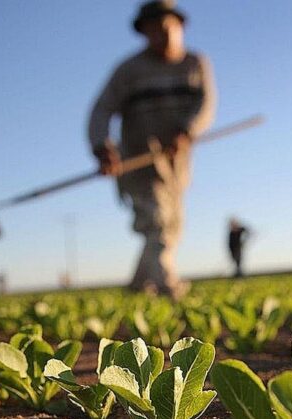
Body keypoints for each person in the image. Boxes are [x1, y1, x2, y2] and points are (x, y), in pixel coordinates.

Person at [88, 1, 216, 299]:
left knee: (171, 224)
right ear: (144, 33)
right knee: (156, 220)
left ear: (180, 27)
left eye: (167, 28)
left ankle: (137, 285)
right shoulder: (128, 71)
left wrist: (187, 131)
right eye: (153, 30)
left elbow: (205, 105)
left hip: (177, 163)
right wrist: (101, 146)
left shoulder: (195, 64)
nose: (162, 35)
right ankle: (167, 285)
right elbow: (101, 110)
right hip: (138, 160)